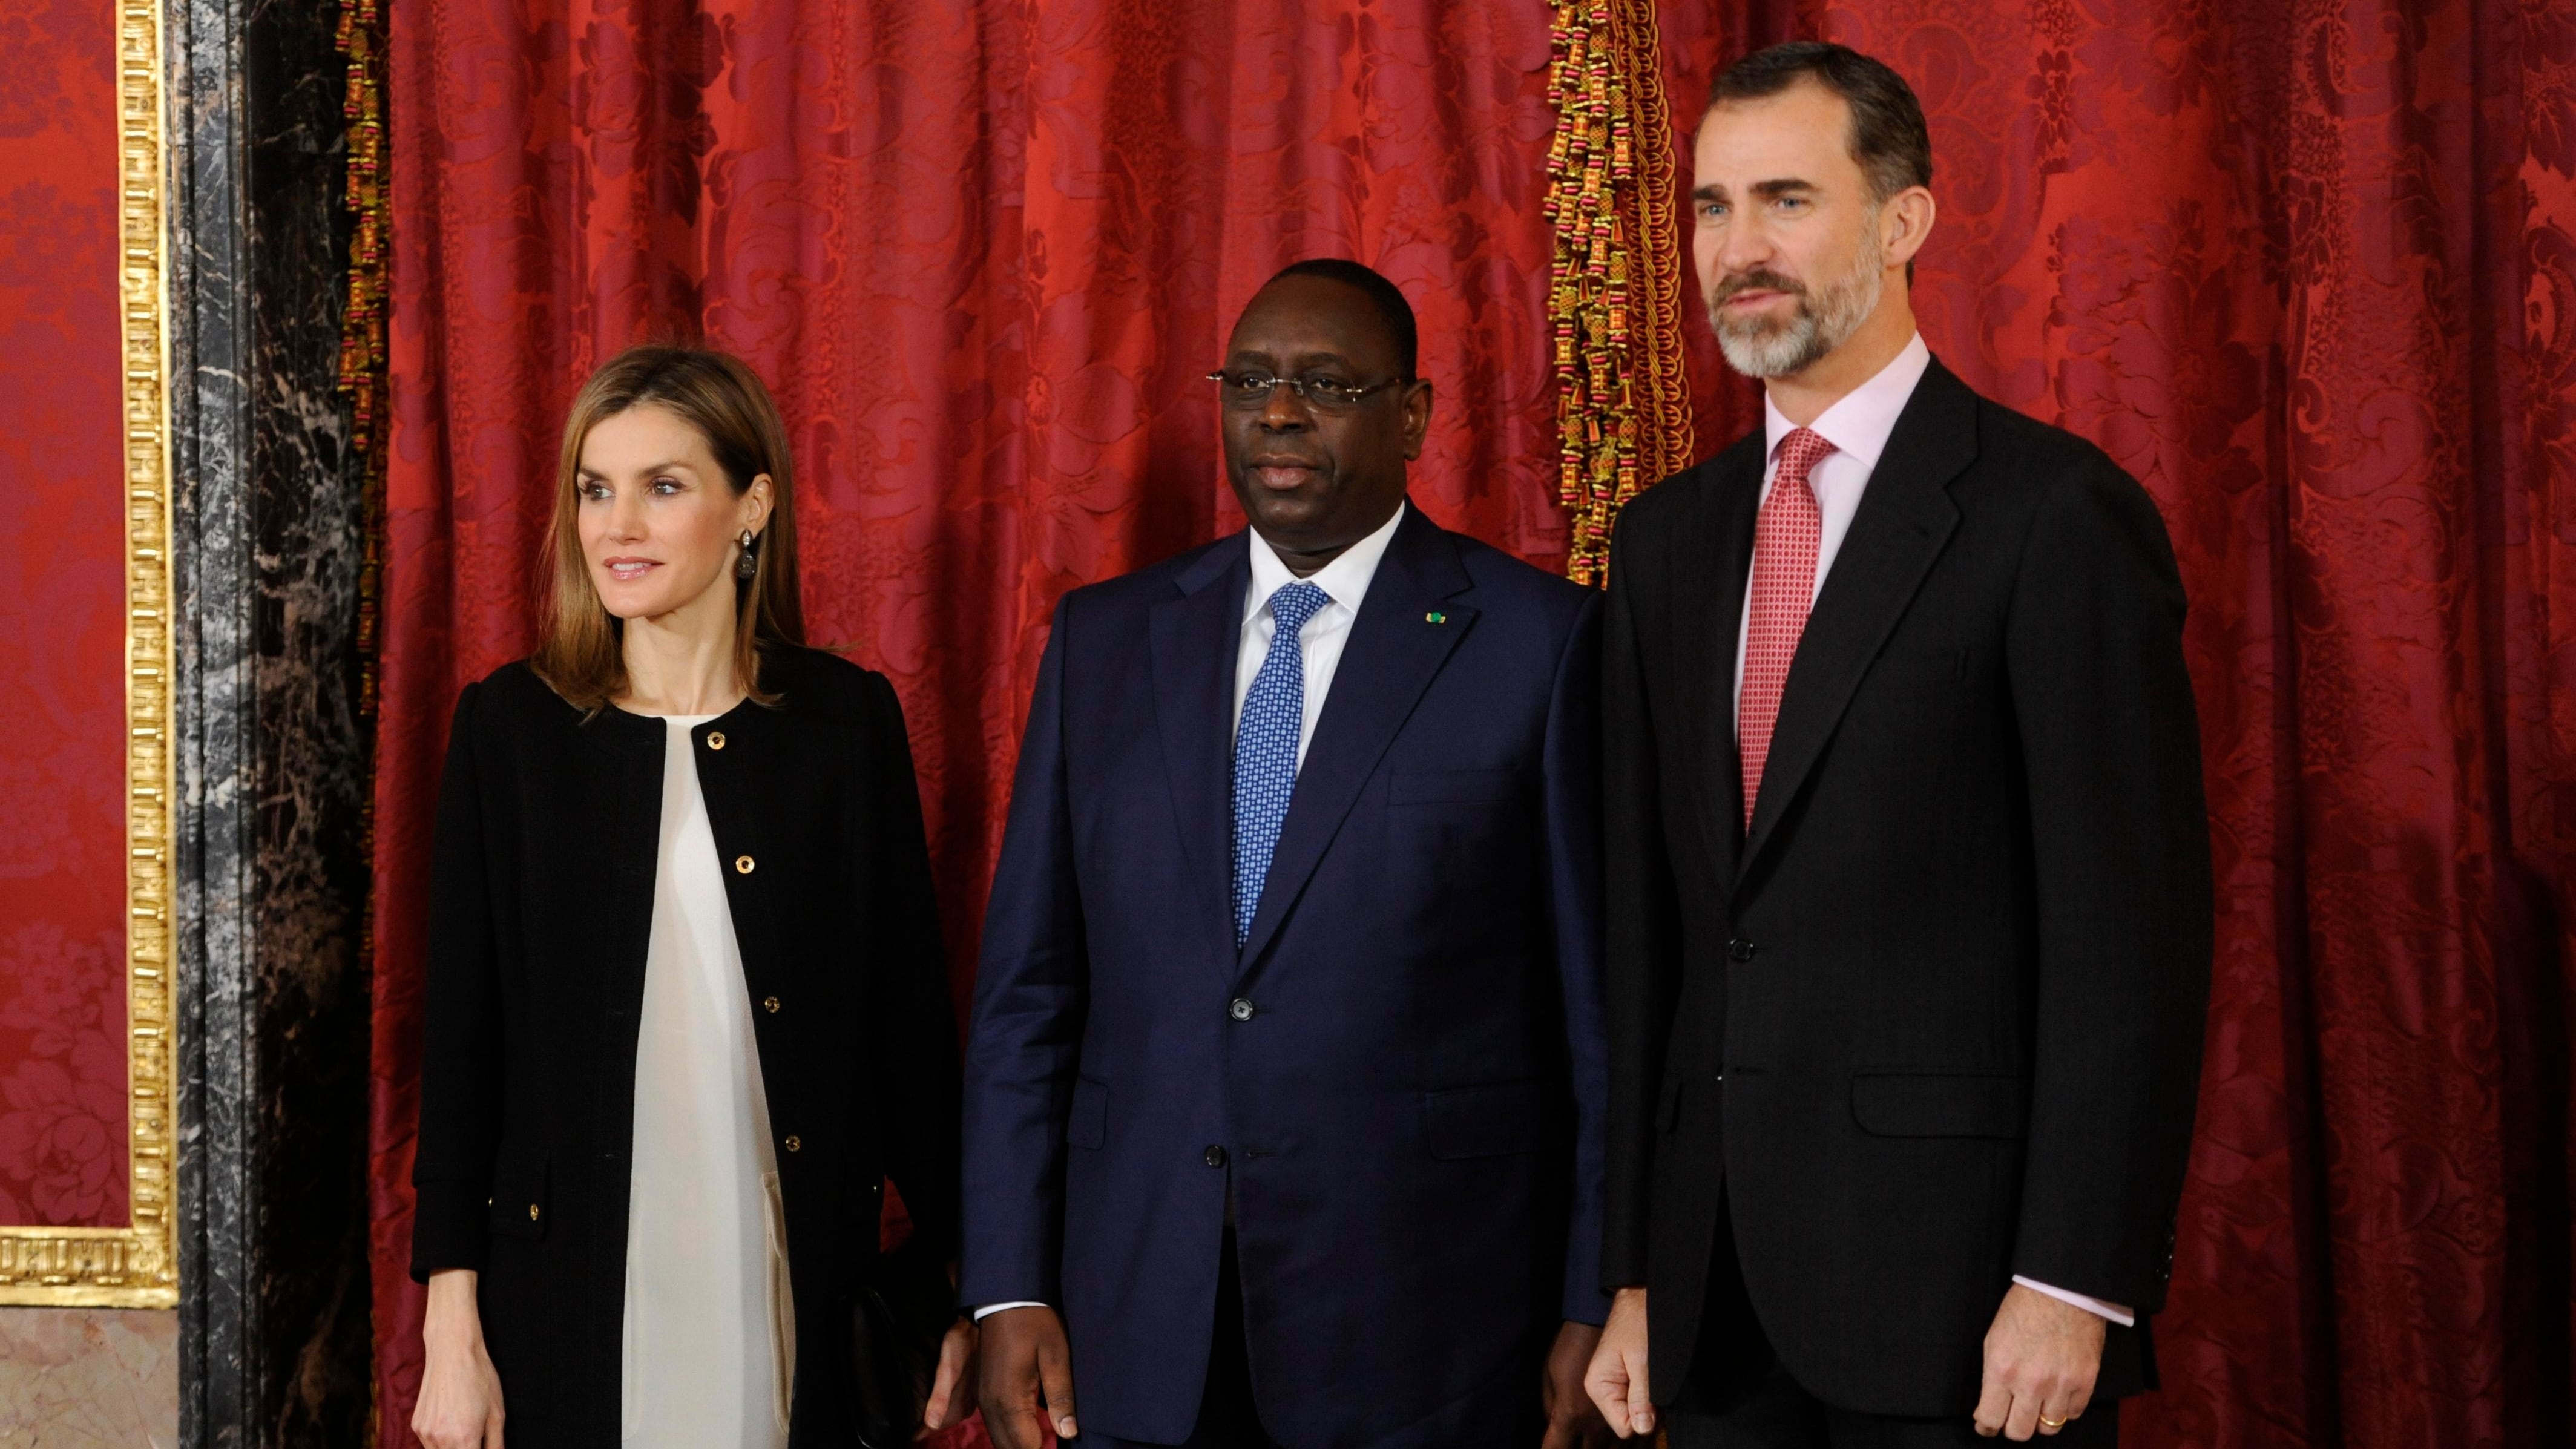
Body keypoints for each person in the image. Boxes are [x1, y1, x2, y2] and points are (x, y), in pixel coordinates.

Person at [1581, 42, 2212, 1449]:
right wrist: (1627, 1270)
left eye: (1787, 200)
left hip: (1968, 1311)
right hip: (1710, 1299)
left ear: (1904, 220)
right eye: (1710, 206)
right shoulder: (1665, 544)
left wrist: (2074, 1278)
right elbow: (1652, 945)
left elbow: (2130, 939)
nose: (1738, 248)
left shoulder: (2052, 515)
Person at [962, 259, 1615, 1449]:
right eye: (1250, 379)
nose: (1276, 411)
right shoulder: (1104, 641)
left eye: (1324, 383)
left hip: (1428, 1333)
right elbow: (1028, 998)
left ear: (1410, 415)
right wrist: (1009, 1279)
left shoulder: (1541, 645)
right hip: (1139, 1320)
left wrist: (1595, 1295)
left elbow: (1597, 1020)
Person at [406, 346, 976, 1449]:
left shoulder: (845, 726)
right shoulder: (509, 733)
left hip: (785, 1262)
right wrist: (451, 1330)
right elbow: (463, 1053)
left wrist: (968, 1281)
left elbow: (909, 1028)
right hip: (567, 1284)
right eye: (595, 488)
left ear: (750, 506)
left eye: (663, 487)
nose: (618, 526)